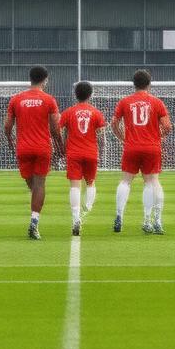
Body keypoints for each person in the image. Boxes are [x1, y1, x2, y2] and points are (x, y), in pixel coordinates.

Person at [4, 65, 62, 240]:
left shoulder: (16, 99)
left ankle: (34, 217)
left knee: (32, 185)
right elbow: (55, 128)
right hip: (42, 147)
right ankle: (34, 221)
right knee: (39, 185)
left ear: (30, 79)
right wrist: (60, 145)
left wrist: (10, 141)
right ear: (45, 80)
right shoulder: (49, 100)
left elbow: (7, 127)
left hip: (23, 148)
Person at [112, 69, 171, 235]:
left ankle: (119, 216)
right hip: (152, 147)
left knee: (125, 181)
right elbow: (167, 126)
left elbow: (114, 123)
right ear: (149, 84)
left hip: (131, 146)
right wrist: (157, 137)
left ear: (134, 84)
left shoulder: (125, 102)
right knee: (152, 182)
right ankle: (152, 220)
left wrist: (122, 137)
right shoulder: (157, 102)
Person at [59, 80, 106, 236]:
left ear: (75, 95)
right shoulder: (96, 113)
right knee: (91, 182)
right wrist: (102, 150)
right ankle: (88, 207)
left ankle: (75, 218)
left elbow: (61, 131)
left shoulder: (68, 112)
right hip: (91, 153)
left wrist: (62, 147)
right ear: (90, 95)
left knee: (74, 186)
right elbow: (102, 136)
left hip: (73, 153)